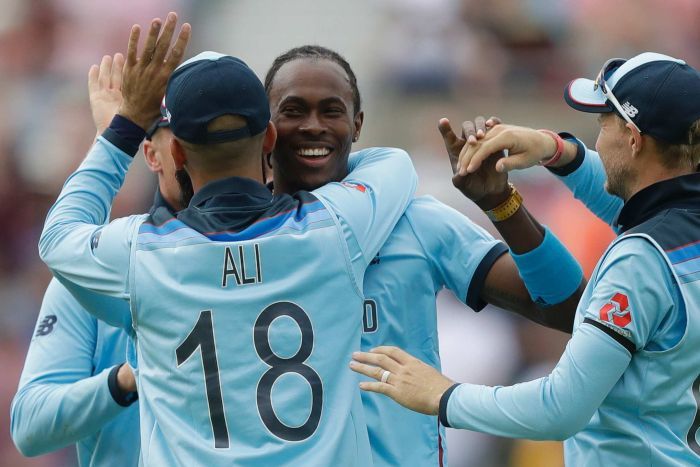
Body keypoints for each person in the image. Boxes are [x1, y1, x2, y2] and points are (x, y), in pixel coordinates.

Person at [39, 14, 418, 466]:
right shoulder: (336, 226)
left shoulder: (140, 253)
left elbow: (59, 236)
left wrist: (121, 129)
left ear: (175, 152)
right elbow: (393, 164)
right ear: (271, 138)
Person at [351, 52, 700, 466]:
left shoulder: (639, 259)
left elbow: (560, 409)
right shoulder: (676, 230)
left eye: (603, 124)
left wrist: (442, 395)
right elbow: (634, 208)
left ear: (633, 138)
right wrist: (552, 149)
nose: (596, 139)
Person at [264, 45, 585, 466]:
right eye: (293, 111)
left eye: (331, 111)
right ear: (267, 128)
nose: (313, 126)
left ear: (357, 124)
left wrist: (501, 204)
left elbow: (566, 308)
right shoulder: (230, 236)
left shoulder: (414, 221)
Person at [10, 54, 181, 466]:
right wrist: (128, 379)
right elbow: (31, 424)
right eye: (183, 138)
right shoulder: (90, 270)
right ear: (151, 152)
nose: (198, 153)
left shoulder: (279, 249)